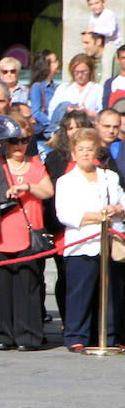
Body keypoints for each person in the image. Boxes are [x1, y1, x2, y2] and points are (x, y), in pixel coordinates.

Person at [0, 114, 53, 351]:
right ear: (5, 141)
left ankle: (28, 336)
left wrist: (27, 187)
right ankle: (1, 335)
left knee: (28, 288)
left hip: (27, 235)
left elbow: (47, 191)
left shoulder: (35, 164)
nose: (19, 146)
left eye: (23, 140)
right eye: (13, 141)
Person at [56, 127, 125, 351]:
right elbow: (65, 214)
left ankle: (110, 335)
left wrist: (115, 209)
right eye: (81, 149)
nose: (86, 153)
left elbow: (122, 204)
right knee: (80, 291)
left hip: (110, 242)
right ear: (73, 153)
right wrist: (98, 217)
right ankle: (76, 335)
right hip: (82, 243)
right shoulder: (66, 181)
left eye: (89, 149)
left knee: (112, 293)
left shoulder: (109, 176)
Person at [50, 53, 103, 126]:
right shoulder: (64, 88)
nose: (80, 75)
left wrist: (87, 112)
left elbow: (102, 115)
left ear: (90, 71)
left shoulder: (98, 89)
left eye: (84, 72)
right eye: (77, 72)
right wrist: (66, 109)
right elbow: (52, 110)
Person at [28, 50, 60, 139]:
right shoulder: (37, 86)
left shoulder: (56, 87)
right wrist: (53, 124)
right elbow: (37, 113)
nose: (58, 63)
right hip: (44, 136)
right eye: (55, 61)